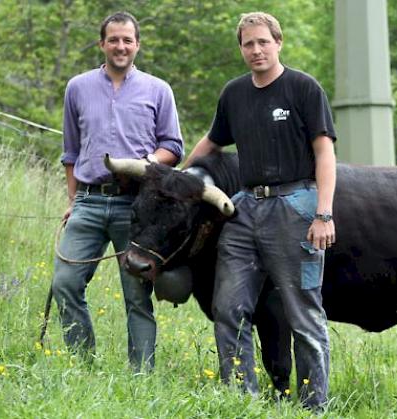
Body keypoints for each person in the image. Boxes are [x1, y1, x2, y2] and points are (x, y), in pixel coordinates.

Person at [183, 12, 336, 409]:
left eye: (263, 42)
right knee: (228, 307)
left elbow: (325, 153)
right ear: (241, 48)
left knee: (303, 313)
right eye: (248, 44)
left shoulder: (303, 88)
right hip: (246, 206)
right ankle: (241, 400)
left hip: (296, 207)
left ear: (278, 43)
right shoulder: (234, 94)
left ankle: (313, 405)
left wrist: (323, 213)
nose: (256, 50)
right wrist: (177, 177)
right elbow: (212, 142)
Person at [52, 11, 183, 372]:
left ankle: (140, 375)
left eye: (127, 40)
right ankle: (83, 367)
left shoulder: (158, 90)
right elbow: (71, 152)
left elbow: (173, 146)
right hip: (89, 201)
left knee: (137, 296)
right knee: (65, 282)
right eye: (114, 40)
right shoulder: (77, 87)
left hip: (137, 206)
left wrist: (145, 161)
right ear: (102, 44)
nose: (121, 46)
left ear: (137, 44)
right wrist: (72, 200)